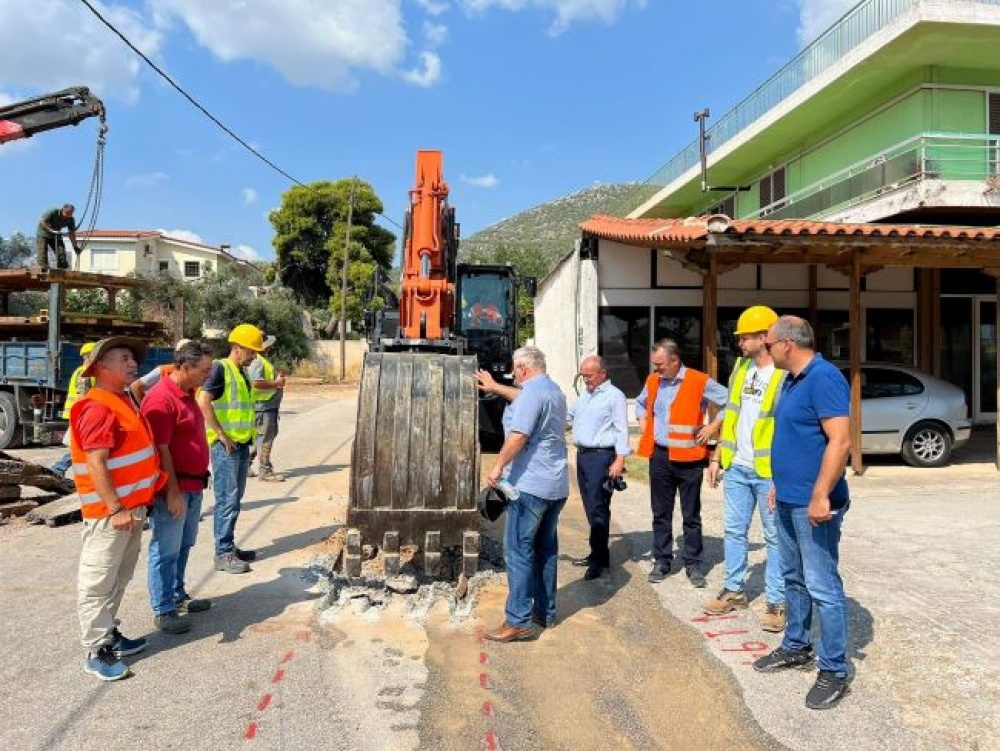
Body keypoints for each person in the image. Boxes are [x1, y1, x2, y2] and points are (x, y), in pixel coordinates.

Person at [753, 316, 853, 711]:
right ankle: (796, 645)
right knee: (792, 577)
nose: (767, 348)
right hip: (790, 498)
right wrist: (782, 483)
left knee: (822, 586)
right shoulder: (791, 381)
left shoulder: (824, 378)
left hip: (816, 505)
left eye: (770, 342)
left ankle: (834, 670)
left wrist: (819, 494)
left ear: (787, 345)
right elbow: (797, 439)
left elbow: (840, 441)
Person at [70, 336, 167, 681]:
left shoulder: (121, 399)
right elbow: (97, 463)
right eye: (124, 358)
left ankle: (110, 633)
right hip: (110, 515)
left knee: (118, 578)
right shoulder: (97, 406)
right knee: (98, 581)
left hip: (132, 510)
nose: (133, 363)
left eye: (132, 358)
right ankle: (97, 650)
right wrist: (114, 508)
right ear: (102, 367)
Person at [475, 346, 569, 641]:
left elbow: (519, 436)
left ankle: (517, 621)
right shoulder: (553, 391)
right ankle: (545, 613)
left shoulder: (531, 393)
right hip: (556, 487)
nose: (514, 375)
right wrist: (493, 387)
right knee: (545, 549)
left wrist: (498, 466)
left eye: (516, 370)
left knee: (517, 552)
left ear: (524, 369)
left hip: (529, 486)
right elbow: (524, 399)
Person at [704, 306, 788, 633]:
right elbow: (733, 413)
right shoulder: (740, 369)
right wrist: (715, 458)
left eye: (745, 337)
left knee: (774, 538)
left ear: (765, 337)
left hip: (769, 471)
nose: (739, 342)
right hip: (737, 467)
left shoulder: (783, 375)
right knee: (734, 531)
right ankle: (735, 590)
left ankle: (777, 603)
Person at [635, 338, 727, 588]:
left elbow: (731, 402)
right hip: (661, 457)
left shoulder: (698, 380)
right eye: (655, 365)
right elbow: (641, 404)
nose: (657, 369)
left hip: (690, 459)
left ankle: (693, 564)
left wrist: (713, 426)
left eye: (661, 364)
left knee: (691, 515)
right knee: (661, 513)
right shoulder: (653, 381)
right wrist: (647, 430)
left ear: (675, 360)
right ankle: (662, 560)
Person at [141, 341, 214, 635]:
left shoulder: (187, 392)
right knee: (166, 549)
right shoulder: (161, 400)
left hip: (193, 485)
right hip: (176, 488)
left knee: (184, 545)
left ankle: (177, 594)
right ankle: (163, 609)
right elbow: (161, 450)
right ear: (185, 367)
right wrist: (171, 491)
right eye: (204, 370)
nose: (208, 376)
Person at [197, 324, 264, 575]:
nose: (255, 356)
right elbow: (203, 401)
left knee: (234, 500)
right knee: (227, 500)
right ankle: (223, 553)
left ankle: (229, 546)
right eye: (252, 351)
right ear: (238, 348)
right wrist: (221, 435)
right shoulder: (220, 369)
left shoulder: (240, 372)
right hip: (226, 447)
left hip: (240, 445)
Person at [567, 355, 629, 581]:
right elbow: (569, 415)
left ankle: (598, 560)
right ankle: (599, 554)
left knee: (598, 508)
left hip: (601, 457)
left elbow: (622, 429)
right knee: (590, 507)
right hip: (583, 457)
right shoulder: (586, 395)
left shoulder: (615, 397)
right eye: (583, 375)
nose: (585, 380)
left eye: (589, 375)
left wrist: (620, 460)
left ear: (602, 373)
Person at [52, 341, 96, 477]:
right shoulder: (85, 374)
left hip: (80, 413)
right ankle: (58, 468)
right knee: (81, 445)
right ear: (89, 356)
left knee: (83, 445)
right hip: (82, 414)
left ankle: (60, 469)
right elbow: (84, 395)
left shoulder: (83, 371)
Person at [247, 335, 286, 481]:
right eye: (268, 344)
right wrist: (276, 383)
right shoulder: (257, 361)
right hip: (263, 406)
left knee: (262, 438)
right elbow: (256, 383)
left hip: (267, 405)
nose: (270, 347)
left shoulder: (260, 361)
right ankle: (265, 470)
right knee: (265, 438)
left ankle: (247, 464)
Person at [129, 338, 192, 402]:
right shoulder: (163, 370)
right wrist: (144, 409)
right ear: (176, 354)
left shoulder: (198, 373)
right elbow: (135, 387)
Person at [36, 204, 81, 270]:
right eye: (67, 214)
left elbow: (71, 234)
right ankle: (43, 268)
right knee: (42, 253)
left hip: (56, 234)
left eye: (70, 214)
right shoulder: (53, 212)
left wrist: (75, 246)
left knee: (61, 252)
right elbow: (42, 221)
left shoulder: (70, 219)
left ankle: (62, 269)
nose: (68, 216)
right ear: (62, 210)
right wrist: (51, 230)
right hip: (43, 234)